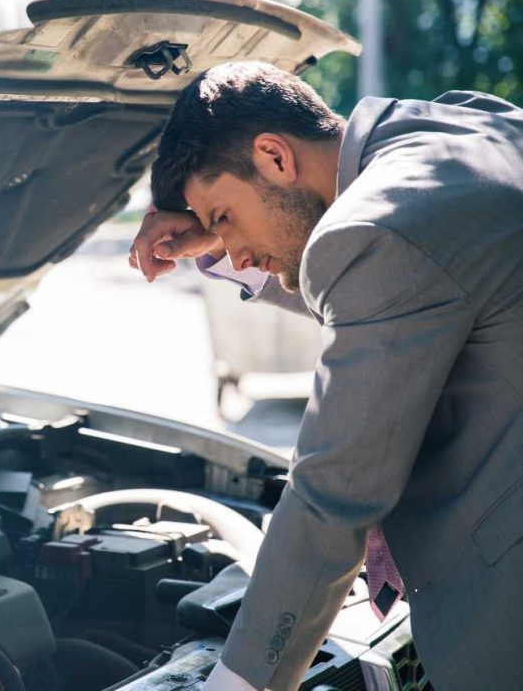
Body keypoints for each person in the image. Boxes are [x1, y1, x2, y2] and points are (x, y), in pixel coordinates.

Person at [128, 61, 523, 691]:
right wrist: (225, 244)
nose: (229, 247)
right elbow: (400, 290)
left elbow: (333, 498)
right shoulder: (465, 129)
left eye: (223, 216)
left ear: (274, 157)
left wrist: (236, 684)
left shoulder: (377, 230)